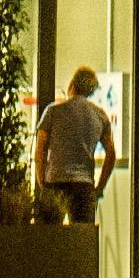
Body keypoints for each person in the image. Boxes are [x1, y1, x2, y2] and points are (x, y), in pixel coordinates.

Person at [33, 65, 115, 224]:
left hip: (55, 181)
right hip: (84, 185)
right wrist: (99, 187)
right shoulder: (100, 115)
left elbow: (40, 150)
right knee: (81, 242)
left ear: (72, 84)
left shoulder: (52, 111)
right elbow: (111, 154)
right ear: (91, 90)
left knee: (49, 239)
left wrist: (41, 181)